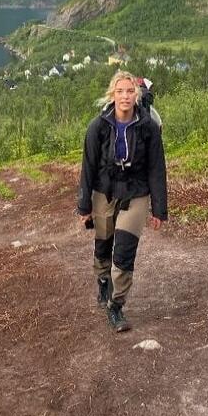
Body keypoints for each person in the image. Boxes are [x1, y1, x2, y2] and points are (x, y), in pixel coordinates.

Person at [77, 70, 168, 333]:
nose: (125, 96)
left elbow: (156, 169)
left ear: (136, 95)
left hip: (136, 193)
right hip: (104, 191)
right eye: (120, 91)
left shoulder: (149, 128)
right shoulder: (98, 126)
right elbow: (88, 166)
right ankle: (103, 281)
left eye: (130, 91)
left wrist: (159, 209)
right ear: (112, 94)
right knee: (103, 245)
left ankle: (116, 306)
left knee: (124, 251)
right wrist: (84, 207)